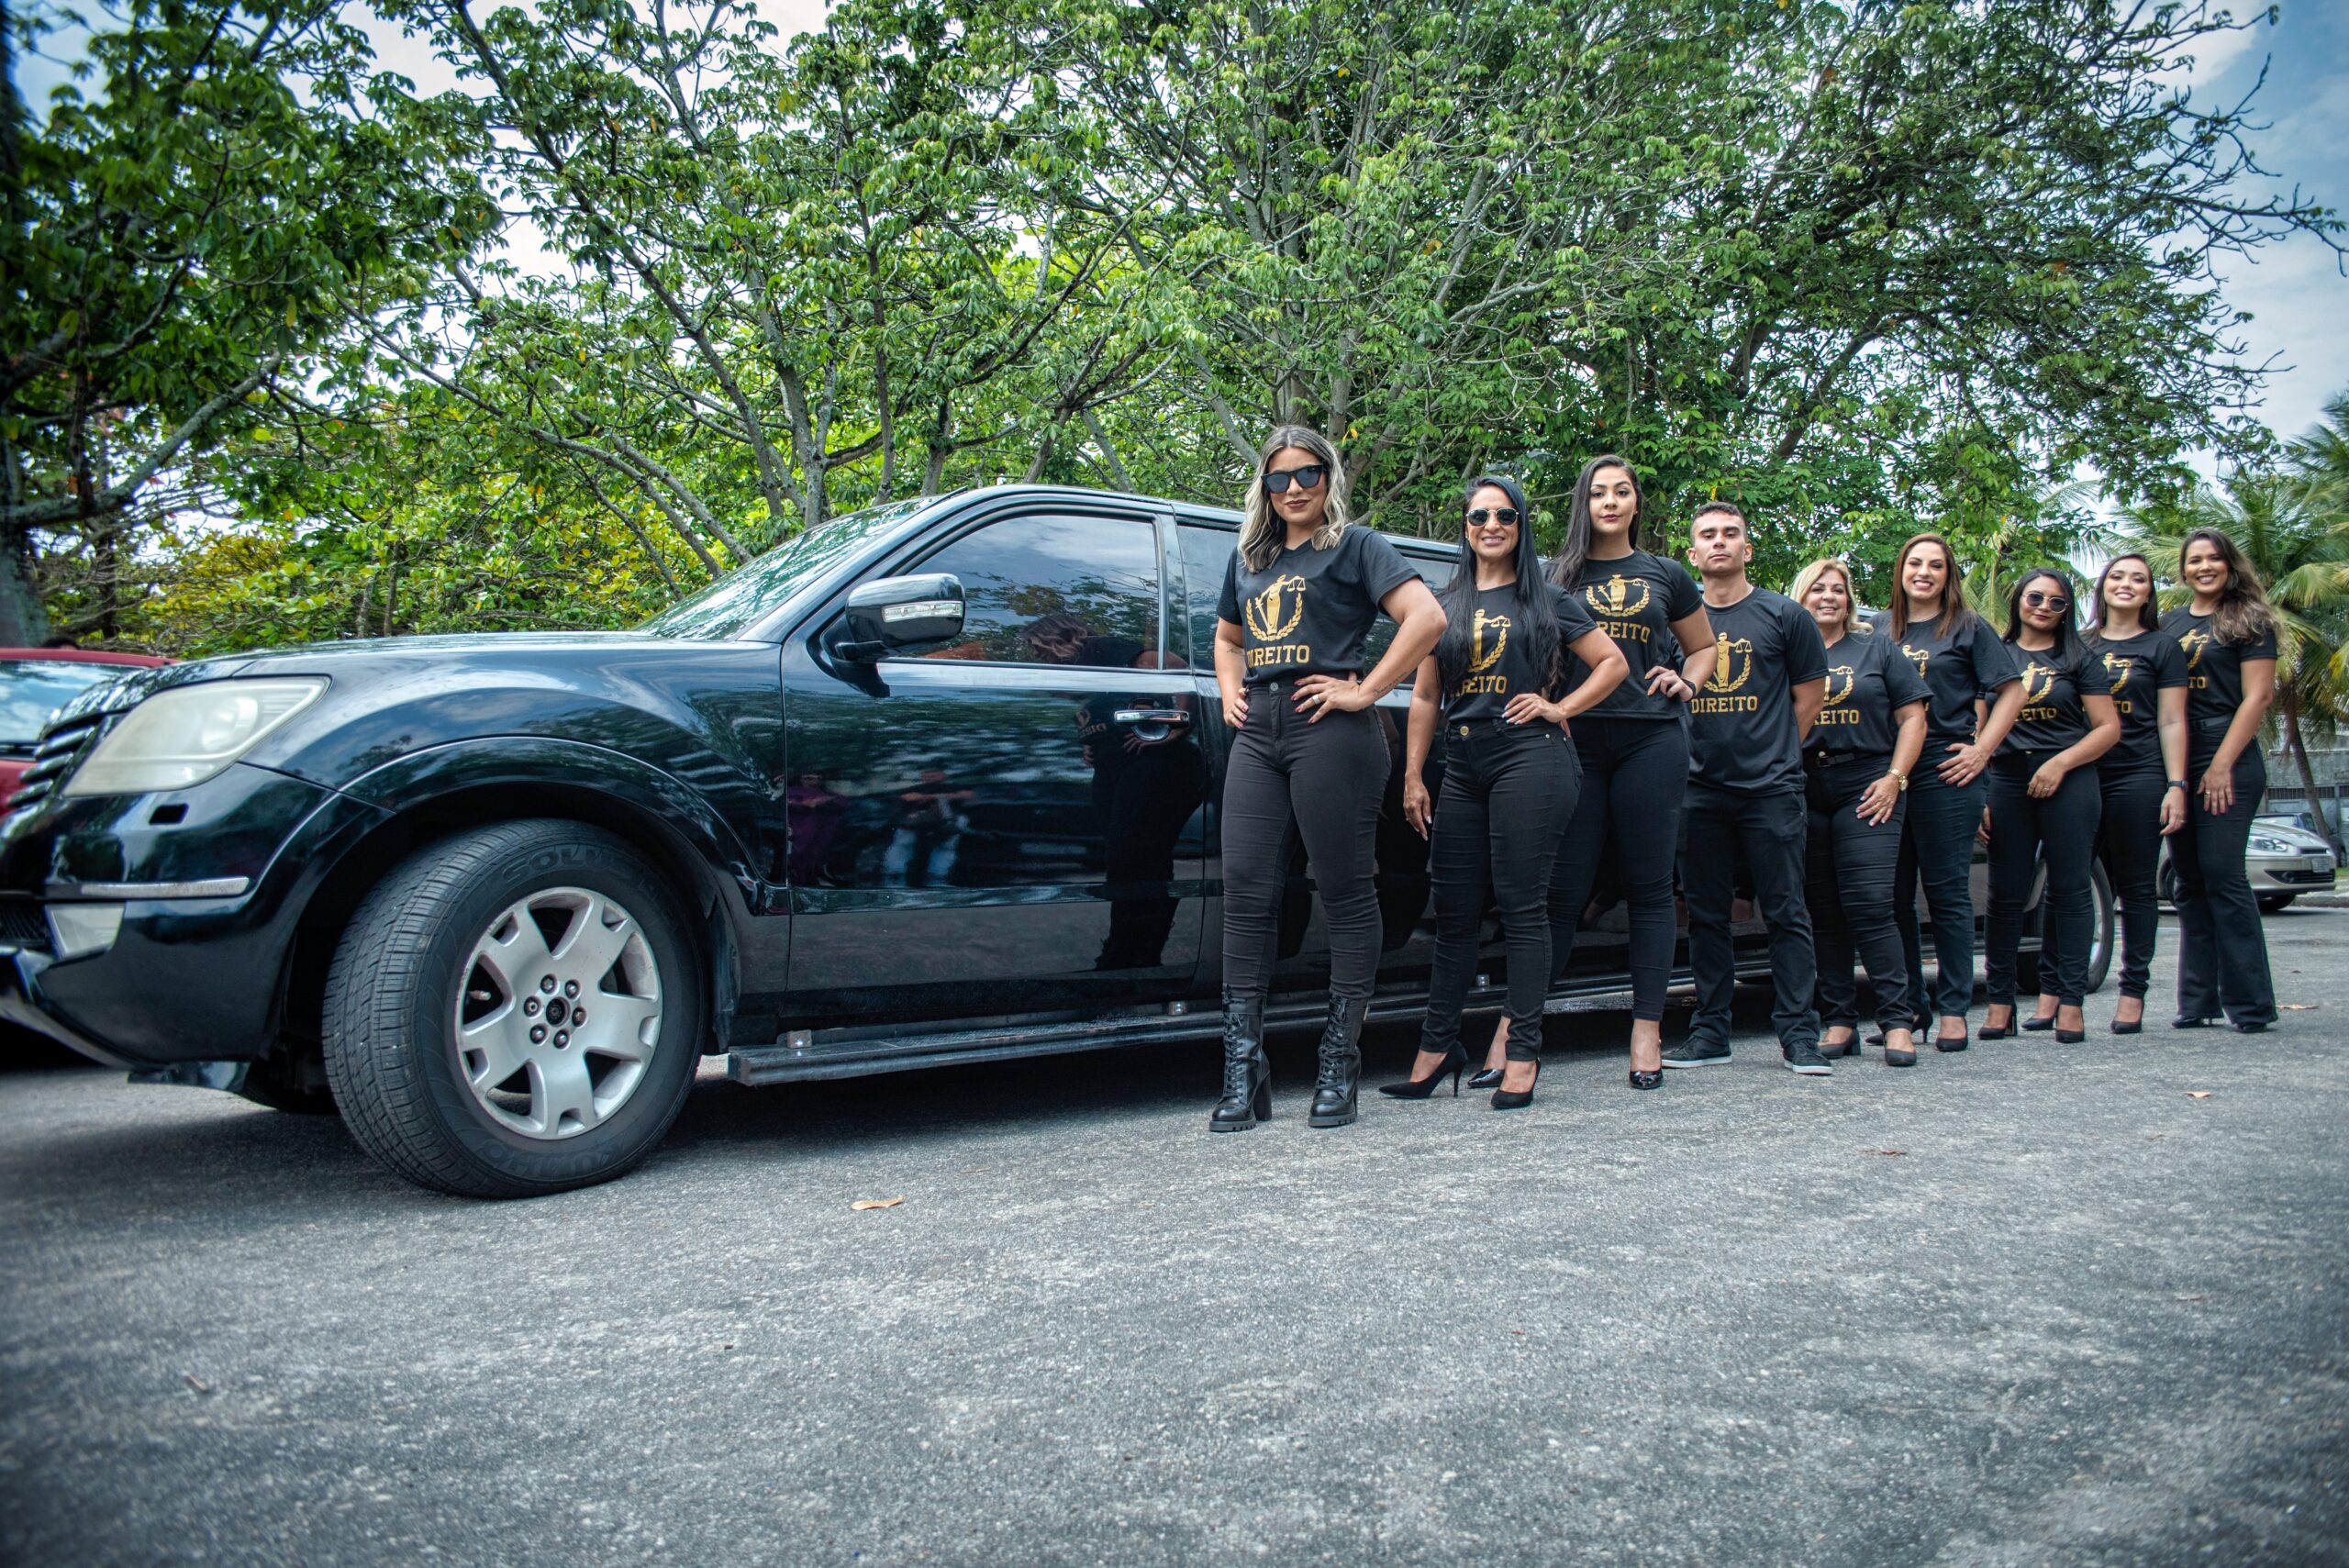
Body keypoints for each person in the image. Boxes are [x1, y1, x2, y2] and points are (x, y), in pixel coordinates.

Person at [1209, 425, 1446, 1131]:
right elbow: (1227, 636)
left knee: (1345, 893)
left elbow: (1426, 617)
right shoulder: (1250, 554)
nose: (1293, 489)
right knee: (1247, 892)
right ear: (1264, 485)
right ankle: (1243, 1067)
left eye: (1306, 473)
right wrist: (1230, 687)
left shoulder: (1356, 546)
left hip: (1331, 728)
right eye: (1278, 478)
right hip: (1260, 730)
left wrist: (1365, 690)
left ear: (1328, 475)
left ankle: (1339, 1061)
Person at [1387, 476, 1628, 1109]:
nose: (1490, 524)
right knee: (1454, 913)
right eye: (1478, 515)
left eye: (1504, 514)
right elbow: (1427, 695)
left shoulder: (1547, 600)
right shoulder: (1444, 605)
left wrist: (1559, 705)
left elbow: (1613, 663)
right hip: (1463, 760)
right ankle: (1437, 1048)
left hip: (1531, 754)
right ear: (1464, 527)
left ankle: (1523, 1048)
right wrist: (1414, 774)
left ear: (1520, 524)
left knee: (1523, 907)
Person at [1475, 454, 1715, 1091]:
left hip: (1650, 742)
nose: (1610, 501)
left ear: (1637, 501)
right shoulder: (1553, 574)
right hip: (1571, 744)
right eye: (1599, 492)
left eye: (1623, 491)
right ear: (1584, 502)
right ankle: (1513, 1030)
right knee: (1559, 895)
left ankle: (1646, 1030)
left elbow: (1705, 646)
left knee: (1649, 888)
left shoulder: (1665, 574)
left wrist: (1685, 680)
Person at [1663, 502, 1832, 1075]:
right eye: (1707, 535)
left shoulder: (1786, 616)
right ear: (1692, 554)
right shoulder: (1675, 623)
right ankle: (1710, 1032)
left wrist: (1778, 751)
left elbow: (1810, 696)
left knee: (1786, 912)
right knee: (1707, 915)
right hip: (1696, 787)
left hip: (1771, 789)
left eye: (1730, 534)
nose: (1719, 543)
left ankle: (1799, 1037)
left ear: (1747, 549)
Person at [2026, 555, 2188, 1033]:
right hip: (2078, 774)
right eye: (2117, 576)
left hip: (2136, 774)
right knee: (2064, 882)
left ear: (2148, 591)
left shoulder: (2162, 646)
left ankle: (2133, 991)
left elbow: (2172, 719)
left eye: (2138, 578)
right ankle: (2053, 989)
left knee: (2136, 888)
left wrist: (2176, 784)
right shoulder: (2078, 644)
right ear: (2100, 587)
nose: (2126, 584)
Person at [1883, 533, 2026, 1052]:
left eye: (1936, 565)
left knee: (1945, 893)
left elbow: (2012, 689)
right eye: (1915, 563)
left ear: (1949, 575)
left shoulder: (1967, 628)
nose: (1924, 572)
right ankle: (1910, 1009)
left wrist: (1982, 750)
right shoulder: (1881, 628)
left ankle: (1953, 1009)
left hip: (1947, 768)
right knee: (1892, 898)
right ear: (1900, 570)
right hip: (1889, 771)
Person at [1790, 560, 1931, 1066]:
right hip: (1803, 785)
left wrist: (1895, 778)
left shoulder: (1876, 647)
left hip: (1867, 783)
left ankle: (1897, 1020)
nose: (1829, 597)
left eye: (1839, 590)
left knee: (1871, 904)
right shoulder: (1786, 649)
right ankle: (1839, 1019)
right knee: (1823, 913)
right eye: (1818, 589)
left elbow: (1914, 718)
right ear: (1799, 597)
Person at [1977, 569, 2121, 1042]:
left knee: (2071, 888)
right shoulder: (1994, 653)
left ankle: (2072, 1003)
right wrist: (1980, 791)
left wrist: (2060, 764)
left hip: (2069, 777)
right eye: (2035, 597)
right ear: (2018, 599)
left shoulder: (2080, 657)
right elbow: (1977, 729)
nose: (2043, 606)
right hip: (2006, 775)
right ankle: (2000, 1004)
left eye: (2056, 602)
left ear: (2066, 611)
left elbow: (2106, 728)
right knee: (2006, 894)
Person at [2159, 528, 2280, 1032]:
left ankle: (2251, 1005)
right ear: (2183, 569)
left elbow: (2258, 698)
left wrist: (2221, 764)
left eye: (2213, 559)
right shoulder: (2169, 624)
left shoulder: (2250, 620)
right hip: (2177, 751)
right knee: (2188, 880)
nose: (2203, 567)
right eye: (2194, 560)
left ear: (2229, 565)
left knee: (2222, 873)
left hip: (2225, 749)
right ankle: (2197, 1001)